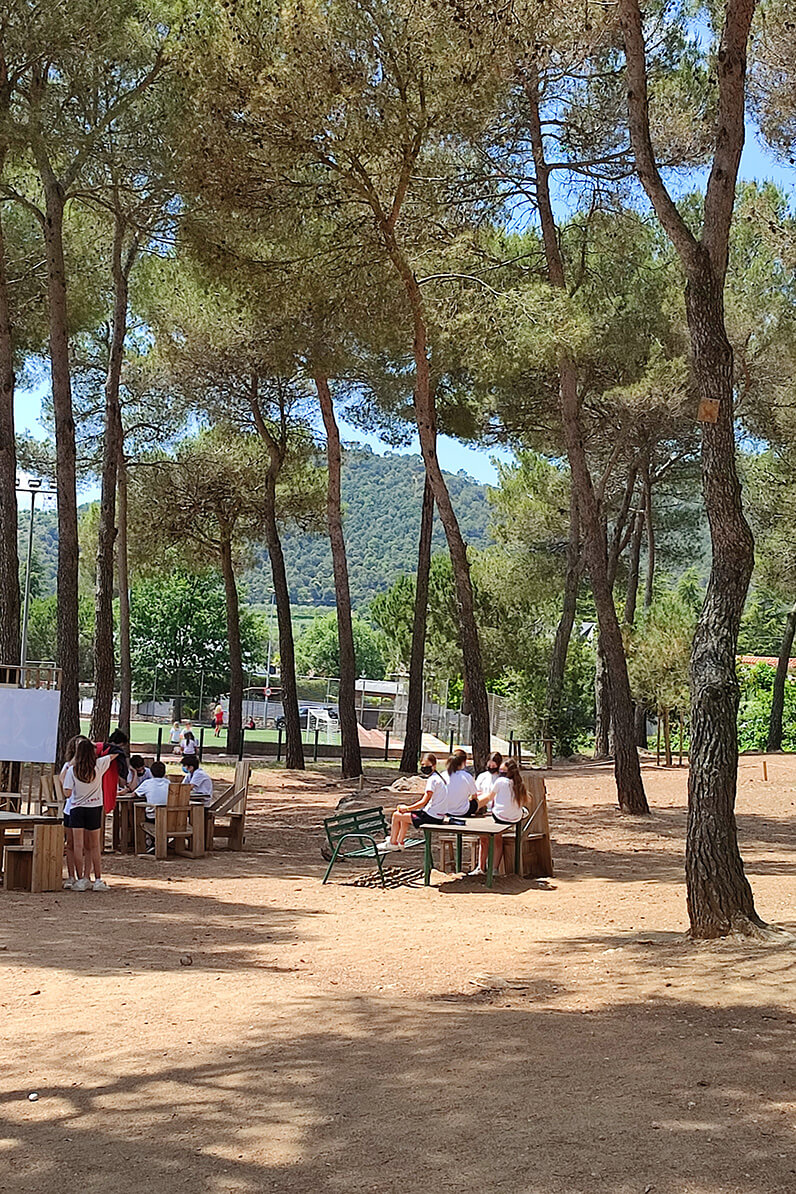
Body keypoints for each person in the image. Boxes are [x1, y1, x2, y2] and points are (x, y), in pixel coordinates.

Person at [63, 739, 114, 891]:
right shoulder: (99, 765)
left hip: (77, 808)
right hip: (94, 807)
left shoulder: (72, 770)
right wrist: (98, 745)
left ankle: (80, 879)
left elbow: (67, 792)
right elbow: (115, 751)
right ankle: (97, 879)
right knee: (94, 845)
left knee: (77, 845)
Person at [379, 753, 447, 851]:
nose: (424, 768)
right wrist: (407, 809)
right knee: (403, 815)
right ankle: (400, 841)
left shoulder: (432, 780)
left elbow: (423, 802)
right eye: (422, 765)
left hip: (431, 817)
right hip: (437, 815)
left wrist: (407, 808)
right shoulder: (439, 778)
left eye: (427, 765)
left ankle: (393, 842)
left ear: (434, 765)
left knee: (396, 815)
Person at [472, 756, 528, 876]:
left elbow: (489, 797)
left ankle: (482, 867)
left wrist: (473, 806)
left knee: (488, 837)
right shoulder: (519, 784)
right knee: (496, 839)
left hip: (499, 817)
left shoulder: (500, 781)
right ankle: (494, 869)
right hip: (515, 818)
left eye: (502, 771)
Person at [60, 734, 82, 890]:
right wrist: (74, 760)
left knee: (85, 844)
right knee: (71, 844)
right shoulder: (68, 766)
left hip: (85, 807)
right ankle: (71, 876)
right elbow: (63, 781)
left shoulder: (92, 766)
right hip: (70, 808)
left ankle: (84, 876)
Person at [136, 760, 170, 854]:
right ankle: (160, 842)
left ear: (151, 772)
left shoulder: (147, 783)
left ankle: (149, 843)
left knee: (142, 813)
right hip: (169, 817)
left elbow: (135, 794)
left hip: (153, 817)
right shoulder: (168, 783)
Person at [473, 751, 503, 815]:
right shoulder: (482, 776)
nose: (491, 767)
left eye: (493, 766)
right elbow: (476, 791)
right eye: (489, 765)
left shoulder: (502, 778)